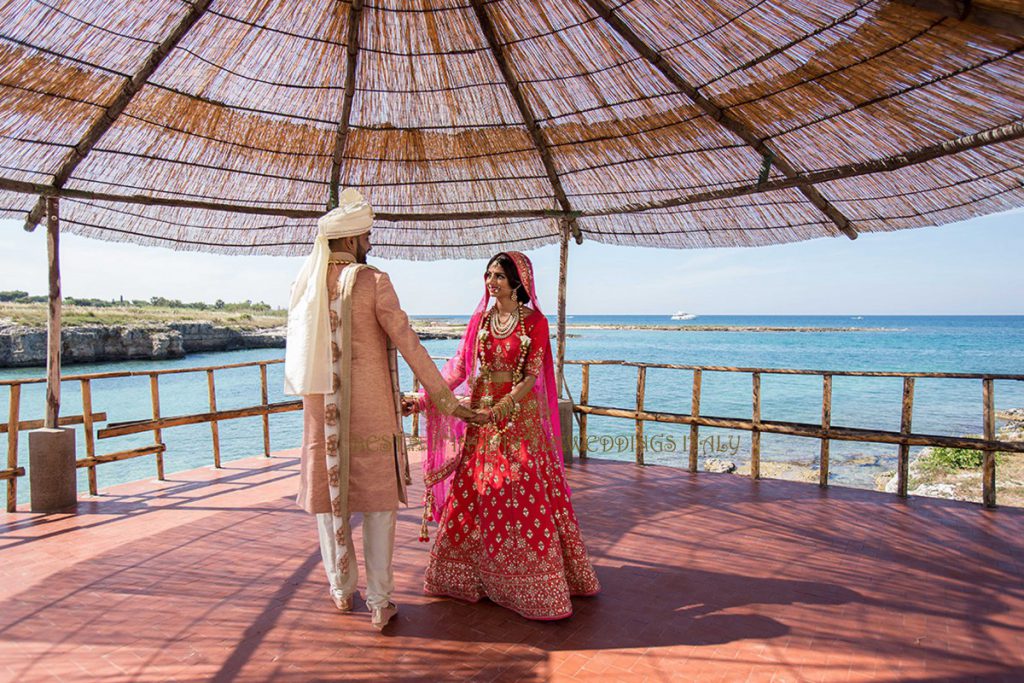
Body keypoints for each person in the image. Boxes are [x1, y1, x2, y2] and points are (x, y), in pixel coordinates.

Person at [284, 188, 479, 631]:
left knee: (329, 507)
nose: (370, 242)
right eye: (366, 235)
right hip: (371, 411)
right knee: (377, 509)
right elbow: (407, 342)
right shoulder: (372, 281)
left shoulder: (305, 285)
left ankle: (340, 590)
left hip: (321, 413)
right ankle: (379, 602)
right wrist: (446, 400)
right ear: (350, 240)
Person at [407, 251, 600, 620]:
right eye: (488, 274)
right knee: (477, 492)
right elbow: (460, 367)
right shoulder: (479, 320)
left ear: (517, 281)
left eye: (498, 275)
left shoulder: (535, 322)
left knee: (523, 491)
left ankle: (532, 584)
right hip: (481, 418)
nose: (491, 281)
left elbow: (531, 375)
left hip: (518, 420)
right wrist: (424, 397)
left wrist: (504, 407)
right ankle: (476, 580)